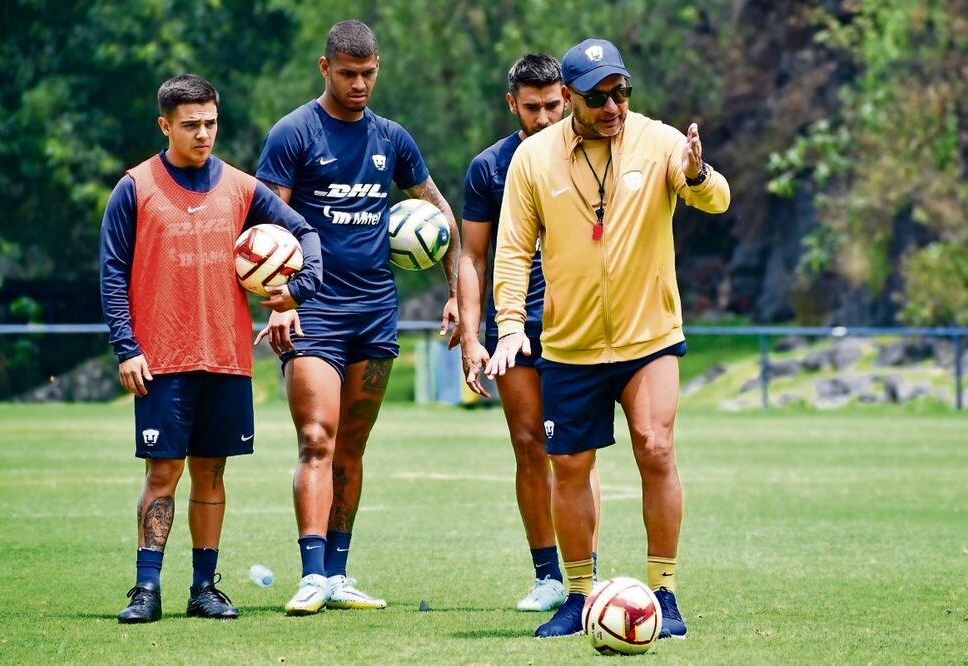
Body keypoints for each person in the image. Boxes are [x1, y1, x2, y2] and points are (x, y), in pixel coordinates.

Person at [486, 38, 730, 638]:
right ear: (568, 99)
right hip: (569, 346)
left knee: (655, 446)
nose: (613, 106)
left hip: (649, 337)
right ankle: (576, 595)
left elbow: (717, 199)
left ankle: (665, 594)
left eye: (621, 92)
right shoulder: (534, 159)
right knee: (568, 466)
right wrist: (511, 324)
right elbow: (513, 250)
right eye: (597, 97)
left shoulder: (661, 139)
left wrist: (697, 174)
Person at [254, 20, 460, 616]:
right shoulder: (293, 134)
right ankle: (311, 574)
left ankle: (338, 573)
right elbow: (265, 231)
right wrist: (280, 303)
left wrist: (452, 290)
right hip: (314, 311)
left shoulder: (393, 138)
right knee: (317, 438)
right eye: (348, 73)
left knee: (352, 447)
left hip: (375, 312)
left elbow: (438, 213)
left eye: (368, 73)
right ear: (326, 69)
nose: (360, 83)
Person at [100, 74, 322, 624]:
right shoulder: (135, 187)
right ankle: (146, 588)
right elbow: (112, 274)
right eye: (190, 125)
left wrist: (295, 290)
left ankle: (204, 587)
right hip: (162, 360)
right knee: (163, 472)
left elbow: (306, 235)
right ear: (165, 125)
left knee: (213, 474)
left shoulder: (243, 189)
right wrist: (126, 347)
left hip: (226, 357)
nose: (203, 134)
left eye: (211, 123)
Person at [459, 54, 601, 613]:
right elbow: (472, 256)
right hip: (513, 329)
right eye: (532, 107)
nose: (543, 118)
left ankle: (586, 571)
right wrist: (473, 337)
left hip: (579, 325)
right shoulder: (488, 168)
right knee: (528, 446)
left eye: (552, 105)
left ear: (566, 99)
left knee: (576, 452)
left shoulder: (593, 155)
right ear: (511, 103)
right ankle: (547, 576)